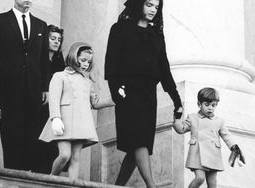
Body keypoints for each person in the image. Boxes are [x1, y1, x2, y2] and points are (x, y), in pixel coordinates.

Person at [104, 0, 183, 187]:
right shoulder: (120, 29)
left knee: (137, 146)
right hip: (128, 94)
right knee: (140, 142)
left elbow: (164, 69)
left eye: (156, 6)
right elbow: (111, 64)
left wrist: (176, 99)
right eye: (149, 4)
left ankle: (118, 185)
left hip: (149, 95)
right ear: (138, 3)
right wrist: (117, 93)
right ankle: (151, 185)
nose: (153, 10)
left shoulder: (156, 34)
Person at [0, 0, 50, 172]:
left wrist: (45, 88)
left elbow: (44, 60)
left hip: (34, 91)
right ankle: (14, 176)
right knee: (11, 136)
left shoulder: (41, 25)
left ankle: (27, 177)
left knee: (32, 137)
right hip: (7, 91)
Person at [39, 42, 114, 178]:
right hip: (64, 121)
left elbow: (95, 103)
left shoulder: (87, 80)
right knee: (64, 155)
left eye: (88, 61)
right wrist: (55, 118)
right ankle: (51, 180)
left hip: (82, 122)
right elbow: (54, 98)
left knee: (75, 158)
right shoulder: (59, 76)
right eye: (83, 60)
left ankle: (72, 185)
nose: (86, 64)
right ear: (74, 56)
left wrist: (115, 100)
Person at [173, 87, 245, 188]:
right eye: (206, 105)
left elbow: (226, 135)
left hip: (213, 155)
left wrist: (234, 147)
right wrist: (176, 119)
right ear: (199, 104)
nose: (210, 108)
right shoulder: (192, 117)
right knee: (200, 178)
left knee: (212, 184)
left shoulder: (219, 121)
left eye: (213, 105)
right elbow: (181, 129)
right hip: (197, 154)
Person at [38, 24, 66, 173]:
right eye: (53, 38)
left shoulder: (59, 62)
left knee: (53, 146)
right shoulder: (37, 59)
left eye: (59, 39)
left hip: (54, 110)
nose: (56, 42)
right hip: (39, 107)